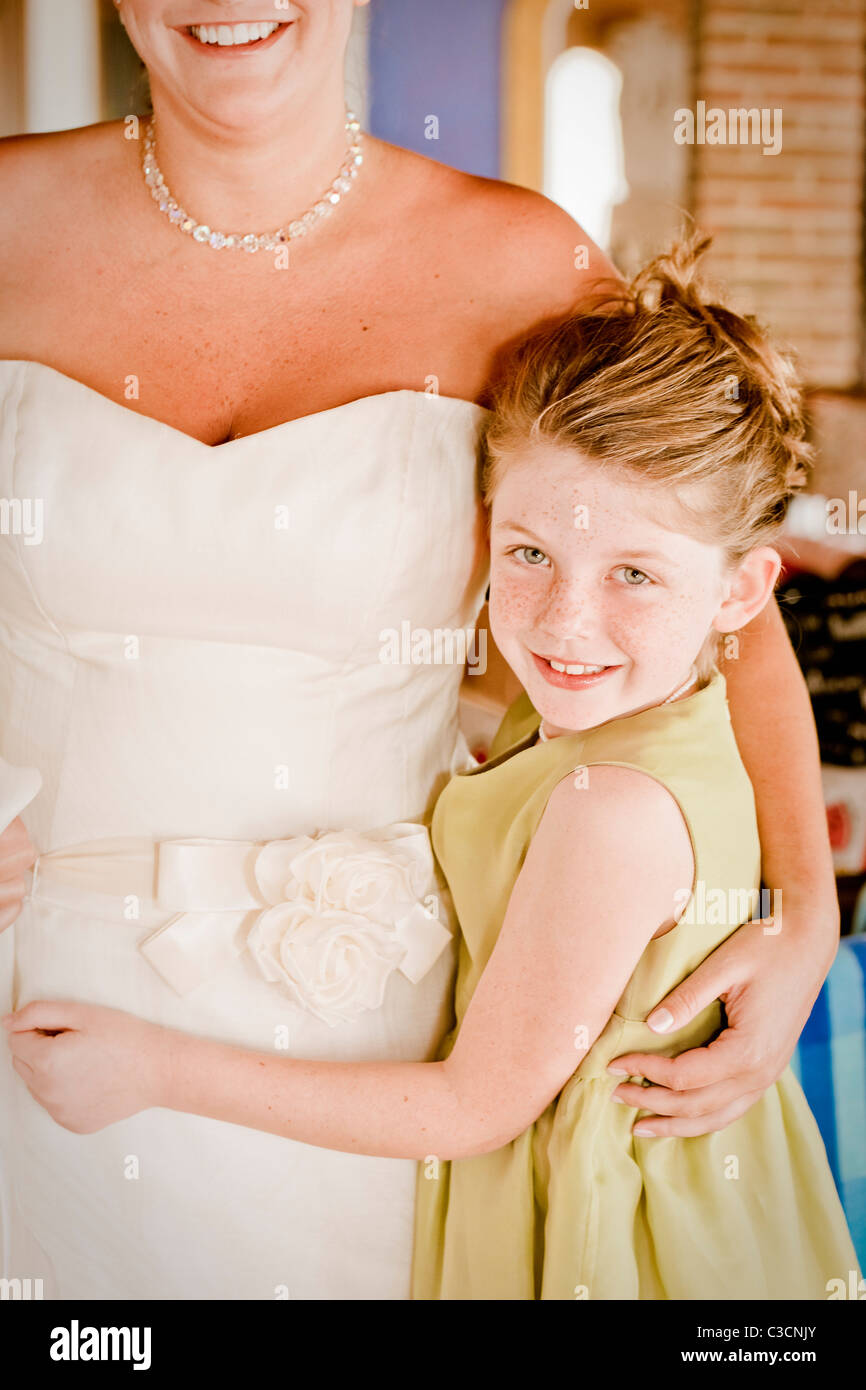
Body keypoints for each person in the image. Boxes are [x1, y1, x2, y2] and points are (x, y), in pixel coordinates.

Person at [0, 2, 841, 1301]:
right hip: (39, 1000)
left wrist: (798, 904)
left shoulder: (513, 261)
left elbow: (708, 583)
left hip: (383, 1030)